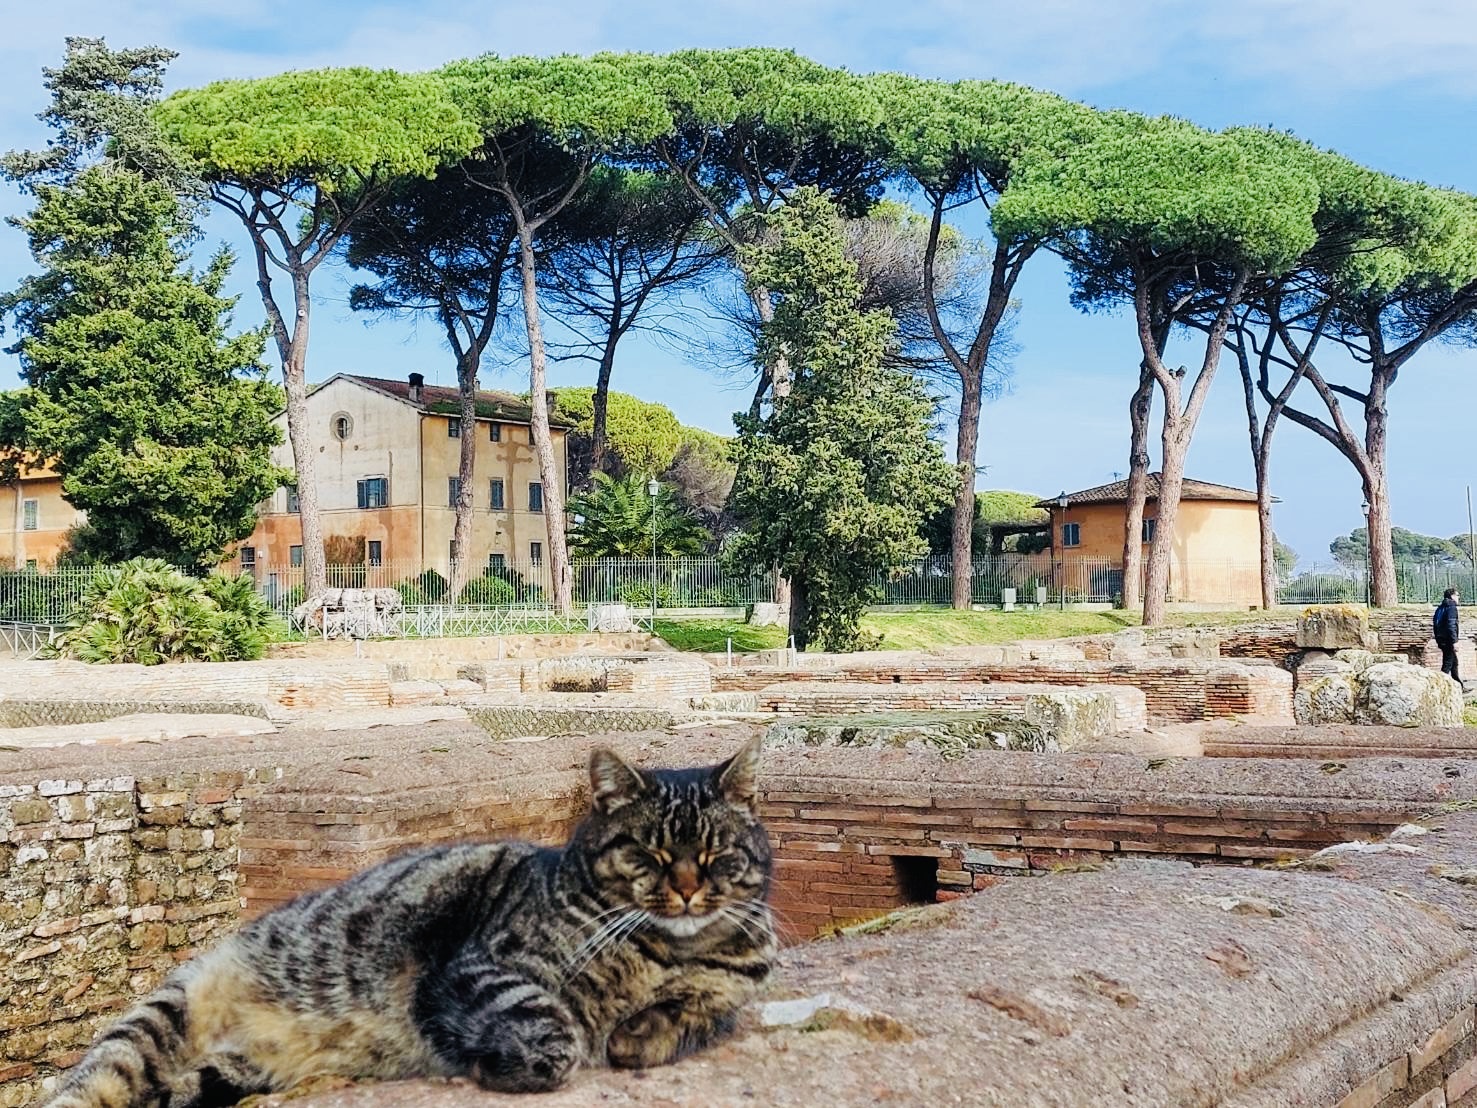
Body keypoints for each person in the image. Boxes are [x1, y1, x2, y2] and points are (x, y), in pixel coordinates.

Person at [1435, 587, 1461, 683]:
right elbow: (1451, 625)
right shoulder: (1451, 607)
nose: (1459, 598)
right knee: (1447, 664)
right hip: (1448, 640)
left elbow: (1436, 625)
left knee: (1454, 663)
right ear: (1452, 596)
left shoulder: (1440, 607)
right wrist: (1454, 641)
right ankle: (1440, 685)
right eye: (1457, 595)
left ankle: (1459, 686)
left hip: (1441, 639)